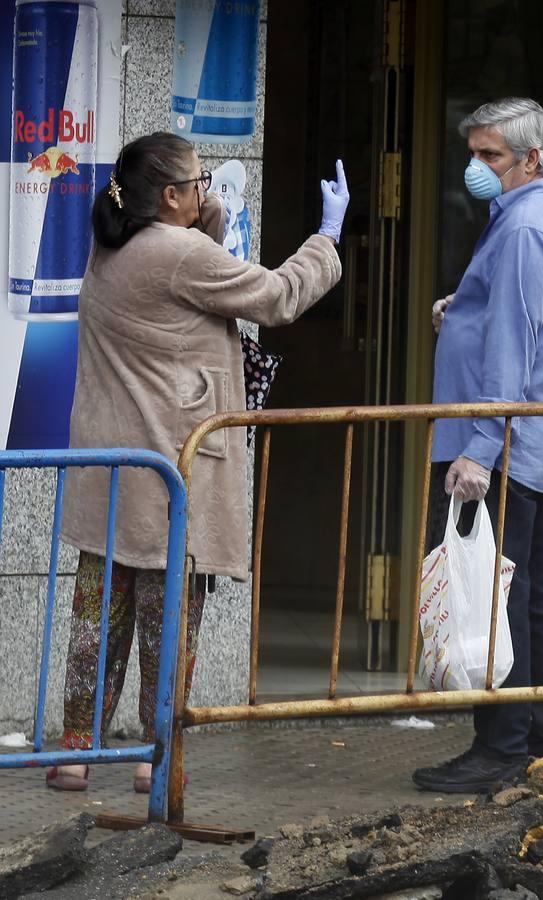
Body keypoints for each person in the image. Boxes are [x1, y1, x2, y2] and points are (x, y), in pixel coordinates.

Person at [46, 132, 349, 791]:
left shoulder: (115, 239)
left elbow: (198, 244)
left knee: (99, 617)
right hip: (171, 469)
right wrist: (327, 239)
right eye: (198, 182)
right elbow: (275, 298)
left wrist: (203, 209)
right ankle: (154, 758)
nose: (206, 190)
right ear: (173, 196)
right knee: (169, 624)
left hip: (112, 468)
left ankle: (74, 752)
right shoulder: (179, 254)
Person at [412, 98, 543, 793]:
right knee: (539, 594)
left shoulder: (523, 226)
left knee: (501, 599)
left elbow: (516, 345)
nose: (477, 168)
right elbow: (523, 319)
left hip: (508, 444)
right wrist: (461, 312)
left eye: (490, 155)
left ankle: (504, 747)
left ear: (530, 158)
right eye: (473, 153)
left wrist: (482, 446)